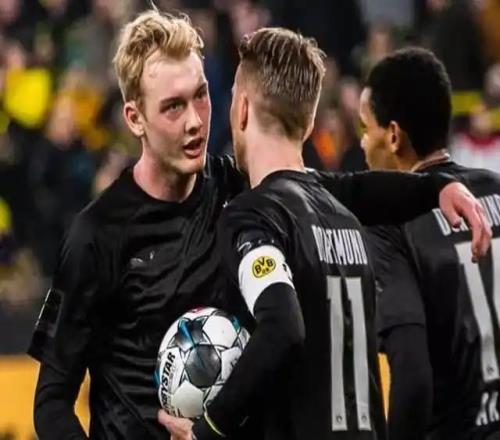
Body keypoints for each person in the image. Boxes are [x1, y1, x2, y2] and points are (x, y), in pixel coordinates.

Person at [29, 10, 490, 440]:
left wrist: (434, 189)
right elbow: (52, 401)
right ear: (135, 118)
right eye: (172, 107)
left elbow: (343, 190)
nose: (195, 121)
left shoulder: (236, 189)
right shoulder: (97, 235)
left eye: (201, 96)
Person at [156, 28, 488, 440]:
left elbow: (283, 326)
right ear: (310, 122)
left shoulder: (252, 216)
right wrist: (437, 188)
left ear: (241, 109)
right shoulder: (341, 212)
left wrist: (209, 429)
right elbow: (365, 190)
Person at [362, 47, 500, 440]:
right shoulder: (497, 189)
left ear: (392, 136)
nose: (362, 143)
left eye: (364, 128)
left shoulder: (391, 225)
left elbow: (412, 373)